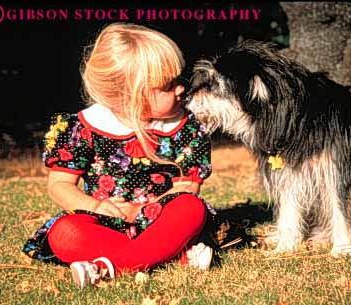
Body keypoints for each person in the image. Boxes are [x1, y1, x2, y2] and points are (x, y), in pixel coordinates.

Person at [22, 23, 215, 288]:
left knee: (191, 209)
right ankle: (168, 255)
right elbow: (59, 185)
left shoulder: (185, 128)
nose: (181, 89)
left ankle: (108, 267)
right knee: (64, 233)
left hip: (161, 219)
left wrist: (143, 210)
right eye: (168, 85)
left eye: (178, 80)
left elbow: (187, 187)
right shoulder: (84, 127)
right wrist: (97, 207)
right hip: (105, 221)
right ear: (130, 95)